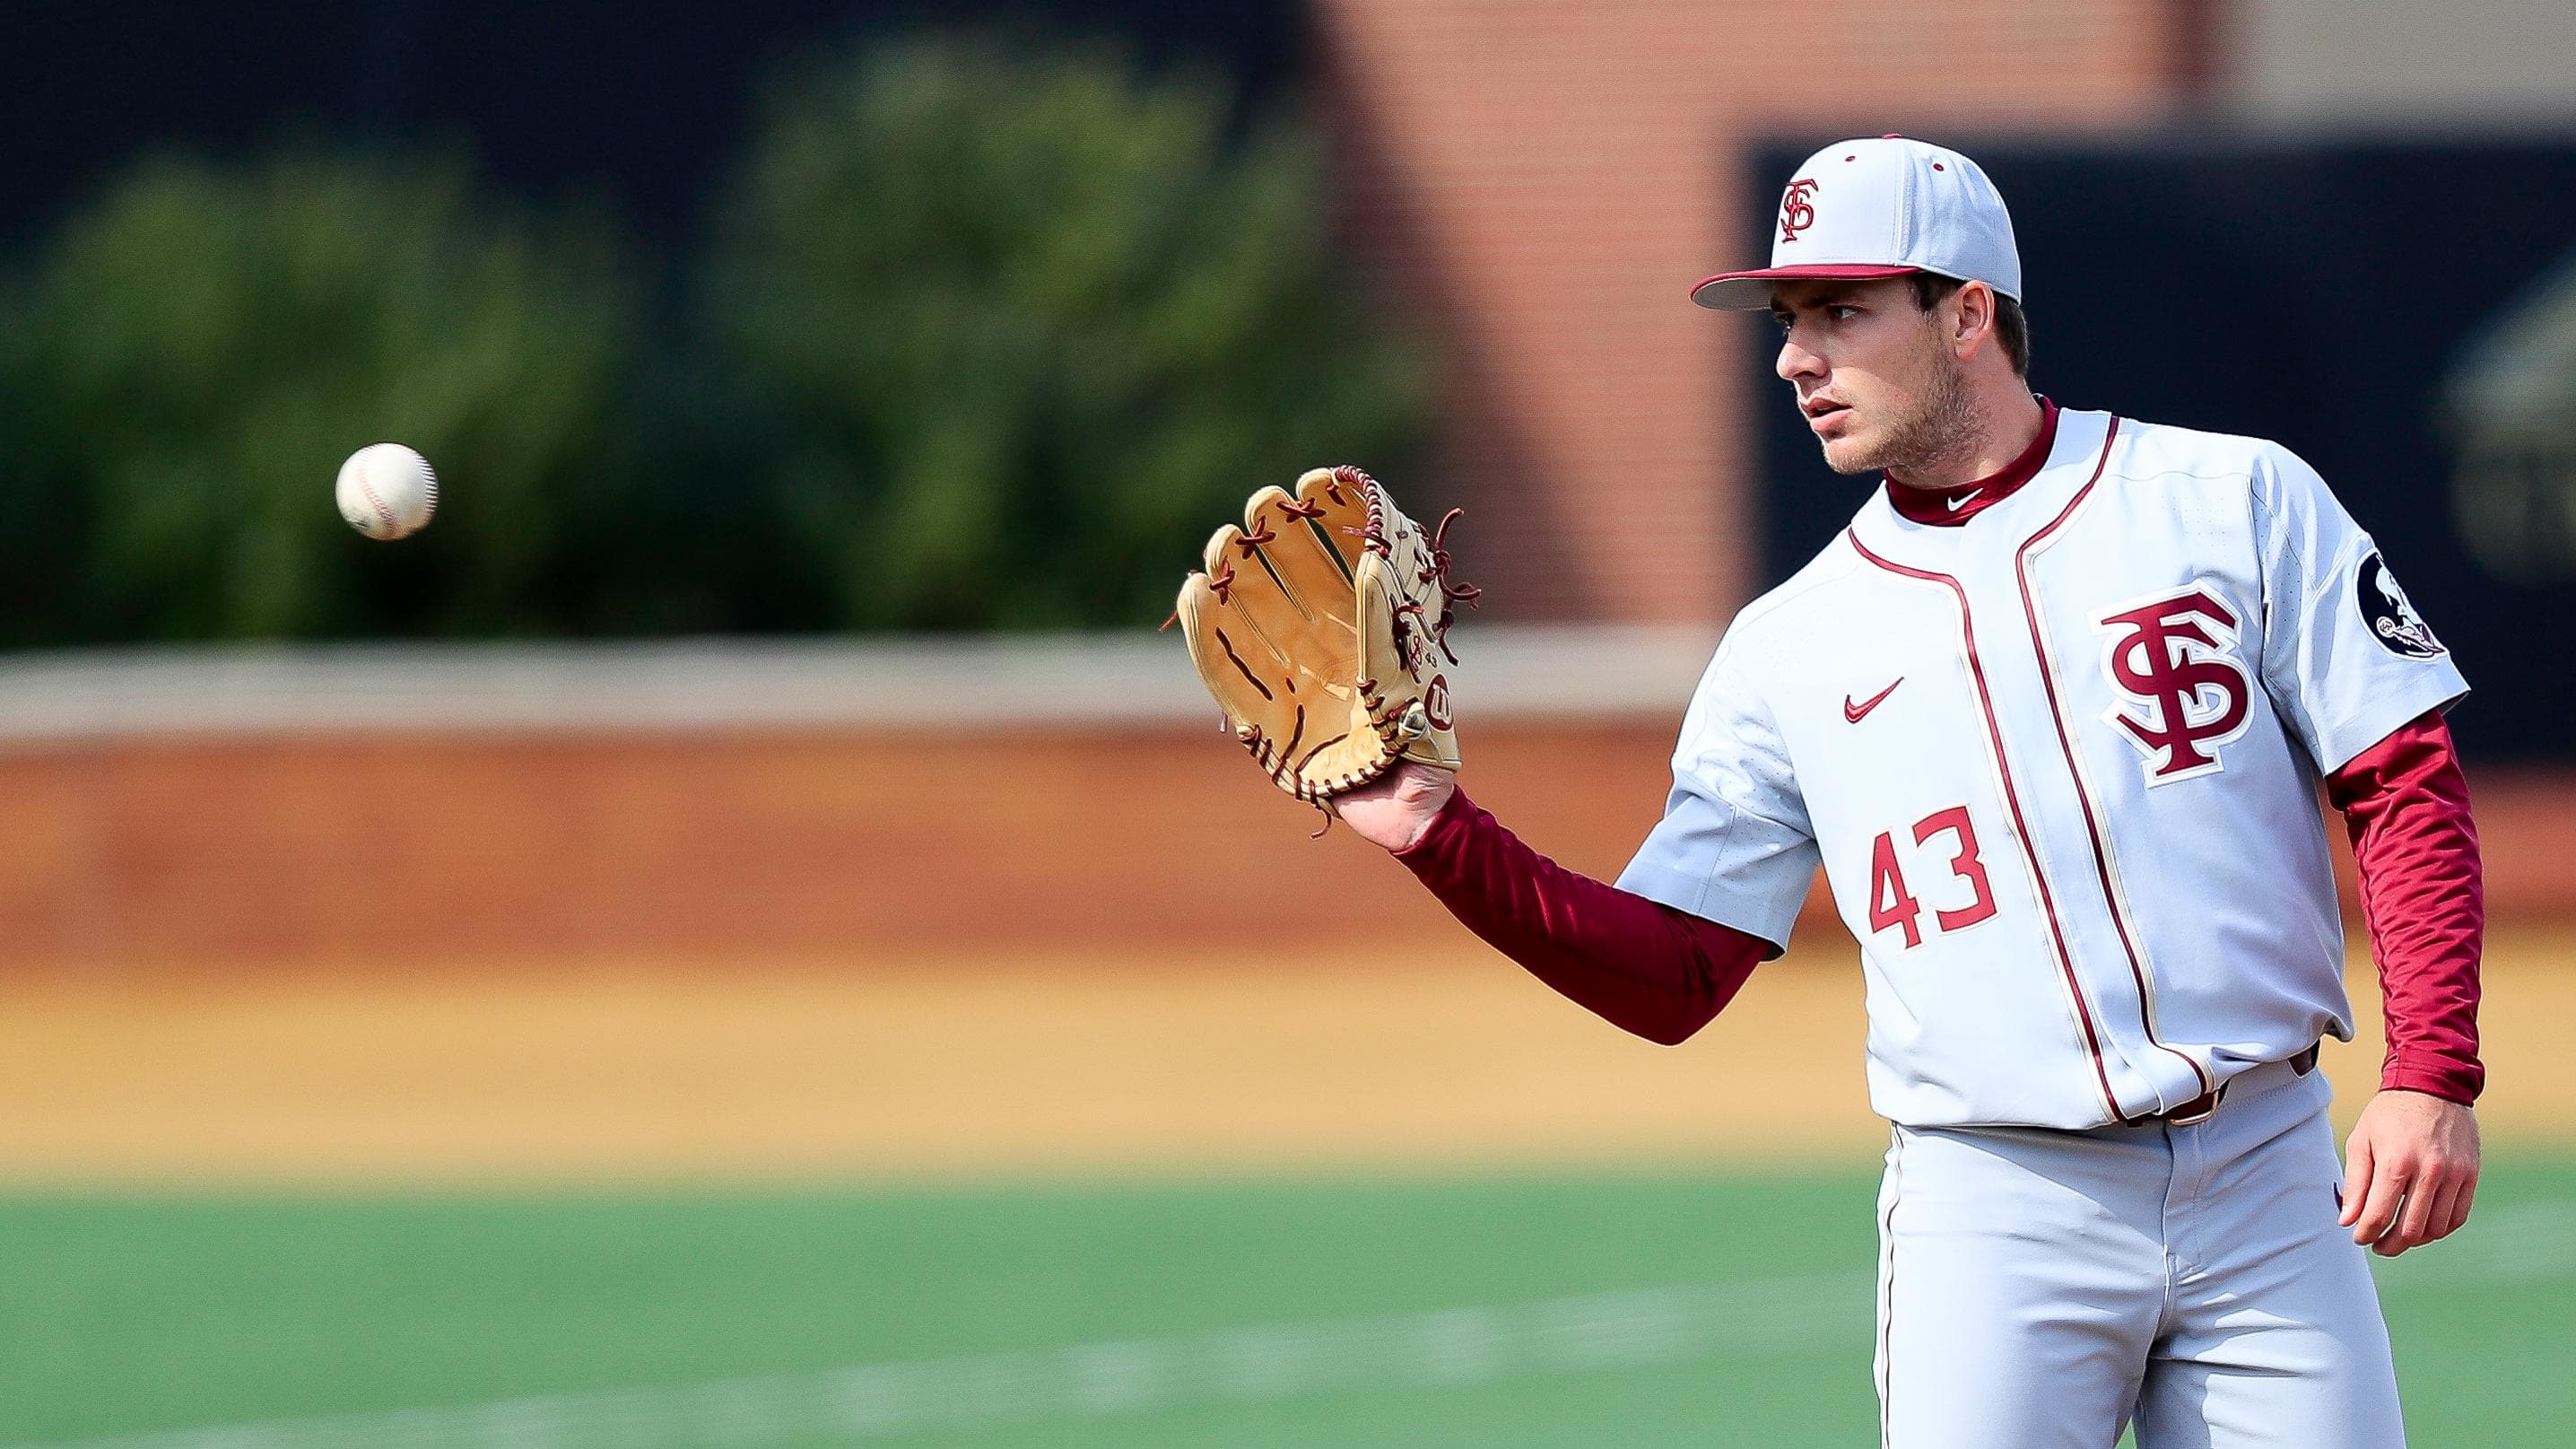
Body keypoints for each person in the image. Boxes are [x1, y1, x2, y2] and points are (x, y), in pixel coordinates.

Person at [1329, 135, 2483, 1447]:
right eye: (1786, 320)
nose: (1793, 358)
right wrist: (1437, 835)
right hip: (1996, 1211)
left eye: (1839, 312)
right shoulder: (1788, 644)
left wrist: (2431, 1069)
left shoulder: (2230, 501)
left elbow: (2403, 782)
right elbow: (1674, 972)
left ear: (1968, 313)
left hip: (2271, 1173)